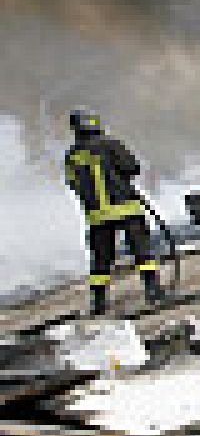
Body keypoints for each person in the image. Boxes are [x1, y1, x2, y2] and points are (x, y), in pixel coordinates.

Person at [63, 109, 164, 315]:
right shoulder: (110, 144)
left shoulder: (72, 156)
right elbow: (132, 167)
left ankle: (99, 303)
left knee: (101, 260)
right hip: (126, 208)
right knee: (142, 250)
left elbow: (73, 184)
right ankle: (153, 291)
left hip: (97, 216)